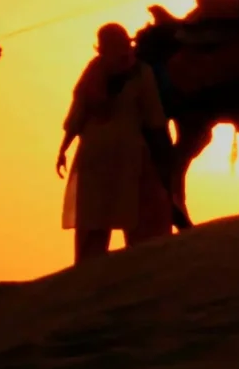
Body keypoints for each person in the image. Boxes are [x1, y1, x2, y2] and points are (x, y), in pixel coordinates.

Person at [56, 23, 181, 264]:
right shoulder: (140, 72)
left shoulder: (92, 72)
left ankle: (88, 273)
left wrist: (63, 149)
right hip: (129, 153)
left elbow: (76, 118)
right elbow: (154, 118)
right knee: (141, 218)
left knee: (93, 220)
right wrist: (165, 155)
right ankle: (144, 268)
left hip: (93, 153)